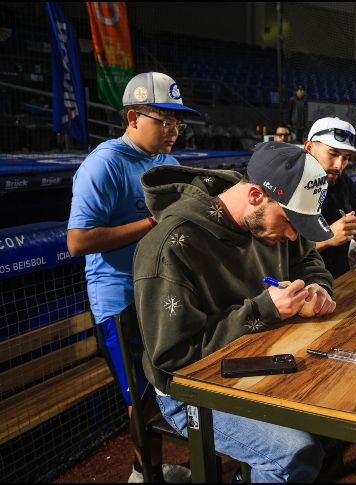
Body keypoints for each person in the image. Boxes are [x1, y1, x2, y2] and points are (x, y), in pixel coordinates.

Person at [134, 142, 336, 482]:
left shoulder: (272, 213)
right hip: (190, 392)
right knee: (295, 454)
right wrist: (263, 310)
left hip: (263, 361)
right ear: (256, 194)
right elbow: (174, 358)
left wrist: (318, 287)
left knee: (339, 410)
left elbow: (310, 261)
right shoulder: (170, 246)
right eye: (289, 221)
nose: (291, 235)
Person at [66, 72, 195, 484]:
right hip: (118, 297)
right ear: (133, 117)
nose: (173, 131)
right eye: (164, 120)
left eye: (178, 122)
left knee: (168, 385)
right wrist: (151, 222)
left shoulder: (168, 163)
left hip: (159, 290)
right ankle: (144, 474)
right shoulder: (103, 164)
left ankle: (151, 467)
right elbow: (78, 241)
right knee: (138, 395)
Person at [304, 117, 356, 278]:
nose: (339, 165)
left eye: (346, 157)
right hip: (298, 288)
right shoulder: (286, 182)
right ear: (309, 147)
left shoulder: (343, 181)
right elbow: (275, 252)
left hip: (339, 279)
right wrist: (326, 239)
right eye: (333, 153)